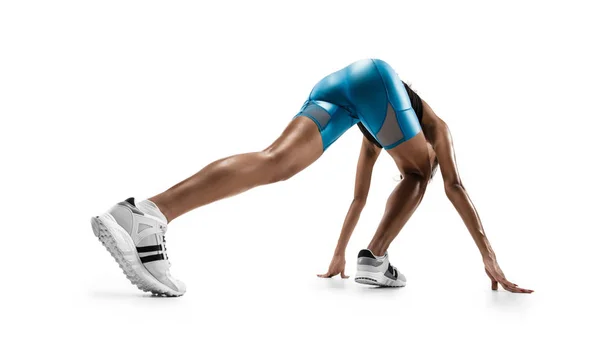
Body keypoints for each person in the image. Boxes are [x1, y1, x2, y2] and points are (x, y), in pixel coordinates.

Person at [91, 59, 533, 296]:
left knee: (275, 162)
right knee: (423, 171)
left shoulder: (379, 131)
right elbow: (454, 186)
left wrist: (340, 255)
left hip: (342, 84)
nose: (401, 171)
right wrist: (489, 257)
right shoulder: (434, 129)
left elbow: (359, 197)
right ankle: (376, 259)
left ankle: (146, 214)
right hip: (376, 79)